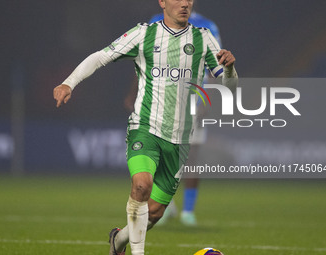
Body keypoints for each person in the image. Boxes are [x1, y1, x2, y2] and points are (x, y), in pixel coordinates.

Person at [53, 0, 238, 254]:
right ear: (162, 1)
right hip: (145, 127)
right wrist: (68, 83)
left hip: (180, 139)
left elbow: (229, 87)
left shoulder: (204, 38)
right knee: (141, 185)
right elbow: (101, 57)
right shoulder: (144, 33)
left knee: (154, 213)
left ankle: (118, 241)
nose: (184, 4)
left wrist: (229, 68)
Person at [124, 8, 222, 227]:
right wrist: (134, 94)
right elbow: (143, 63)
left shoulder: (207, 26)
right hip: (158, 102)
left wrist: (207, 101)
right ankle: (169, 208)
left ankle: (188, 211)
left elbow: (216, 65)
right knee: (155, 155)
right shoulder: (155, 21)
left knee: (191, 157)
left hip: (193, 100)